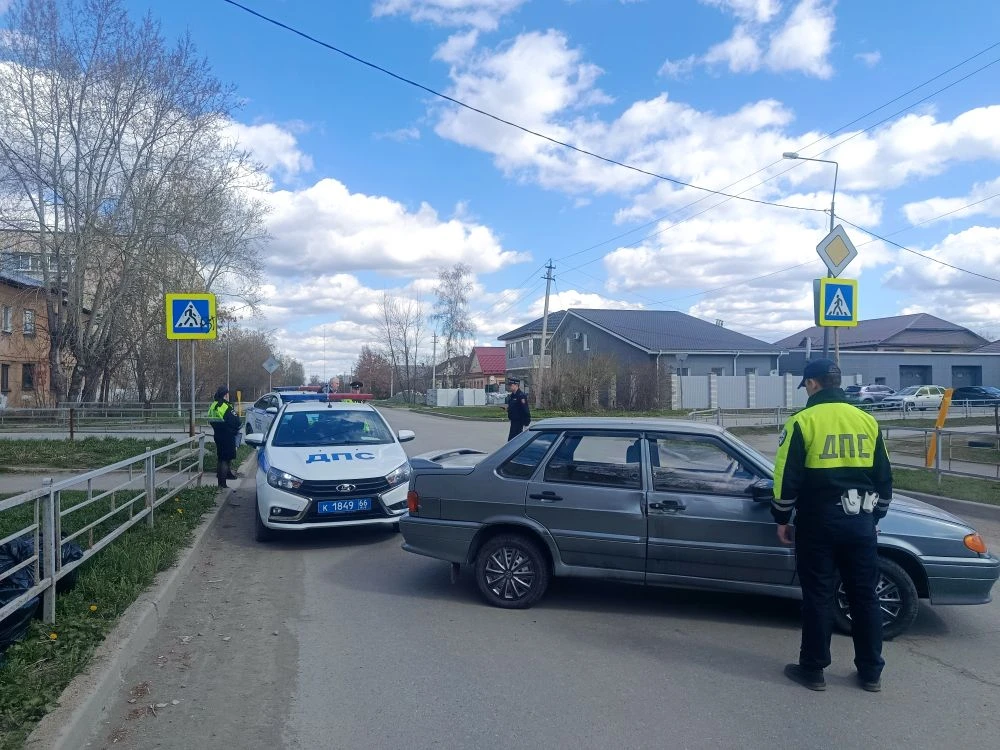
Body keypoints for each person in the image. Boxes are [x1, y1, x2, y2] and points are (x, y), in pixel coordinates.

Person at [772, 358, 893, 693]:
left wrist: (781, 518)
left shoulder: (802, 422)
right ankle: (871, 673)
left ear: (813, 384)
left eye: (806, 386)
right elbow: (884, 477)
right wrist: (874, 517)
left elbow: (785, 479)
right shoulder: (867, 421)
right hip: (860, 522)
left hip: (818, 523)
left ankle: (813, 670)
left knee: (819, 596)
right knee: (864, 597)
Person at [207, 385, 241, 488]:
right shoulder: (226, 406)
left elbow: (210, 419)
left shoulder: (213, 405)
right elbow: (236, 421)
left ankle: (227, 475)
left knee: (221, 457)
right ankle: (222, 484)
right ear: (225, 395)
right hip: (228, 436)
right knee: (225, 459)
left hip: (218, 435)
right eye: (228, 394)